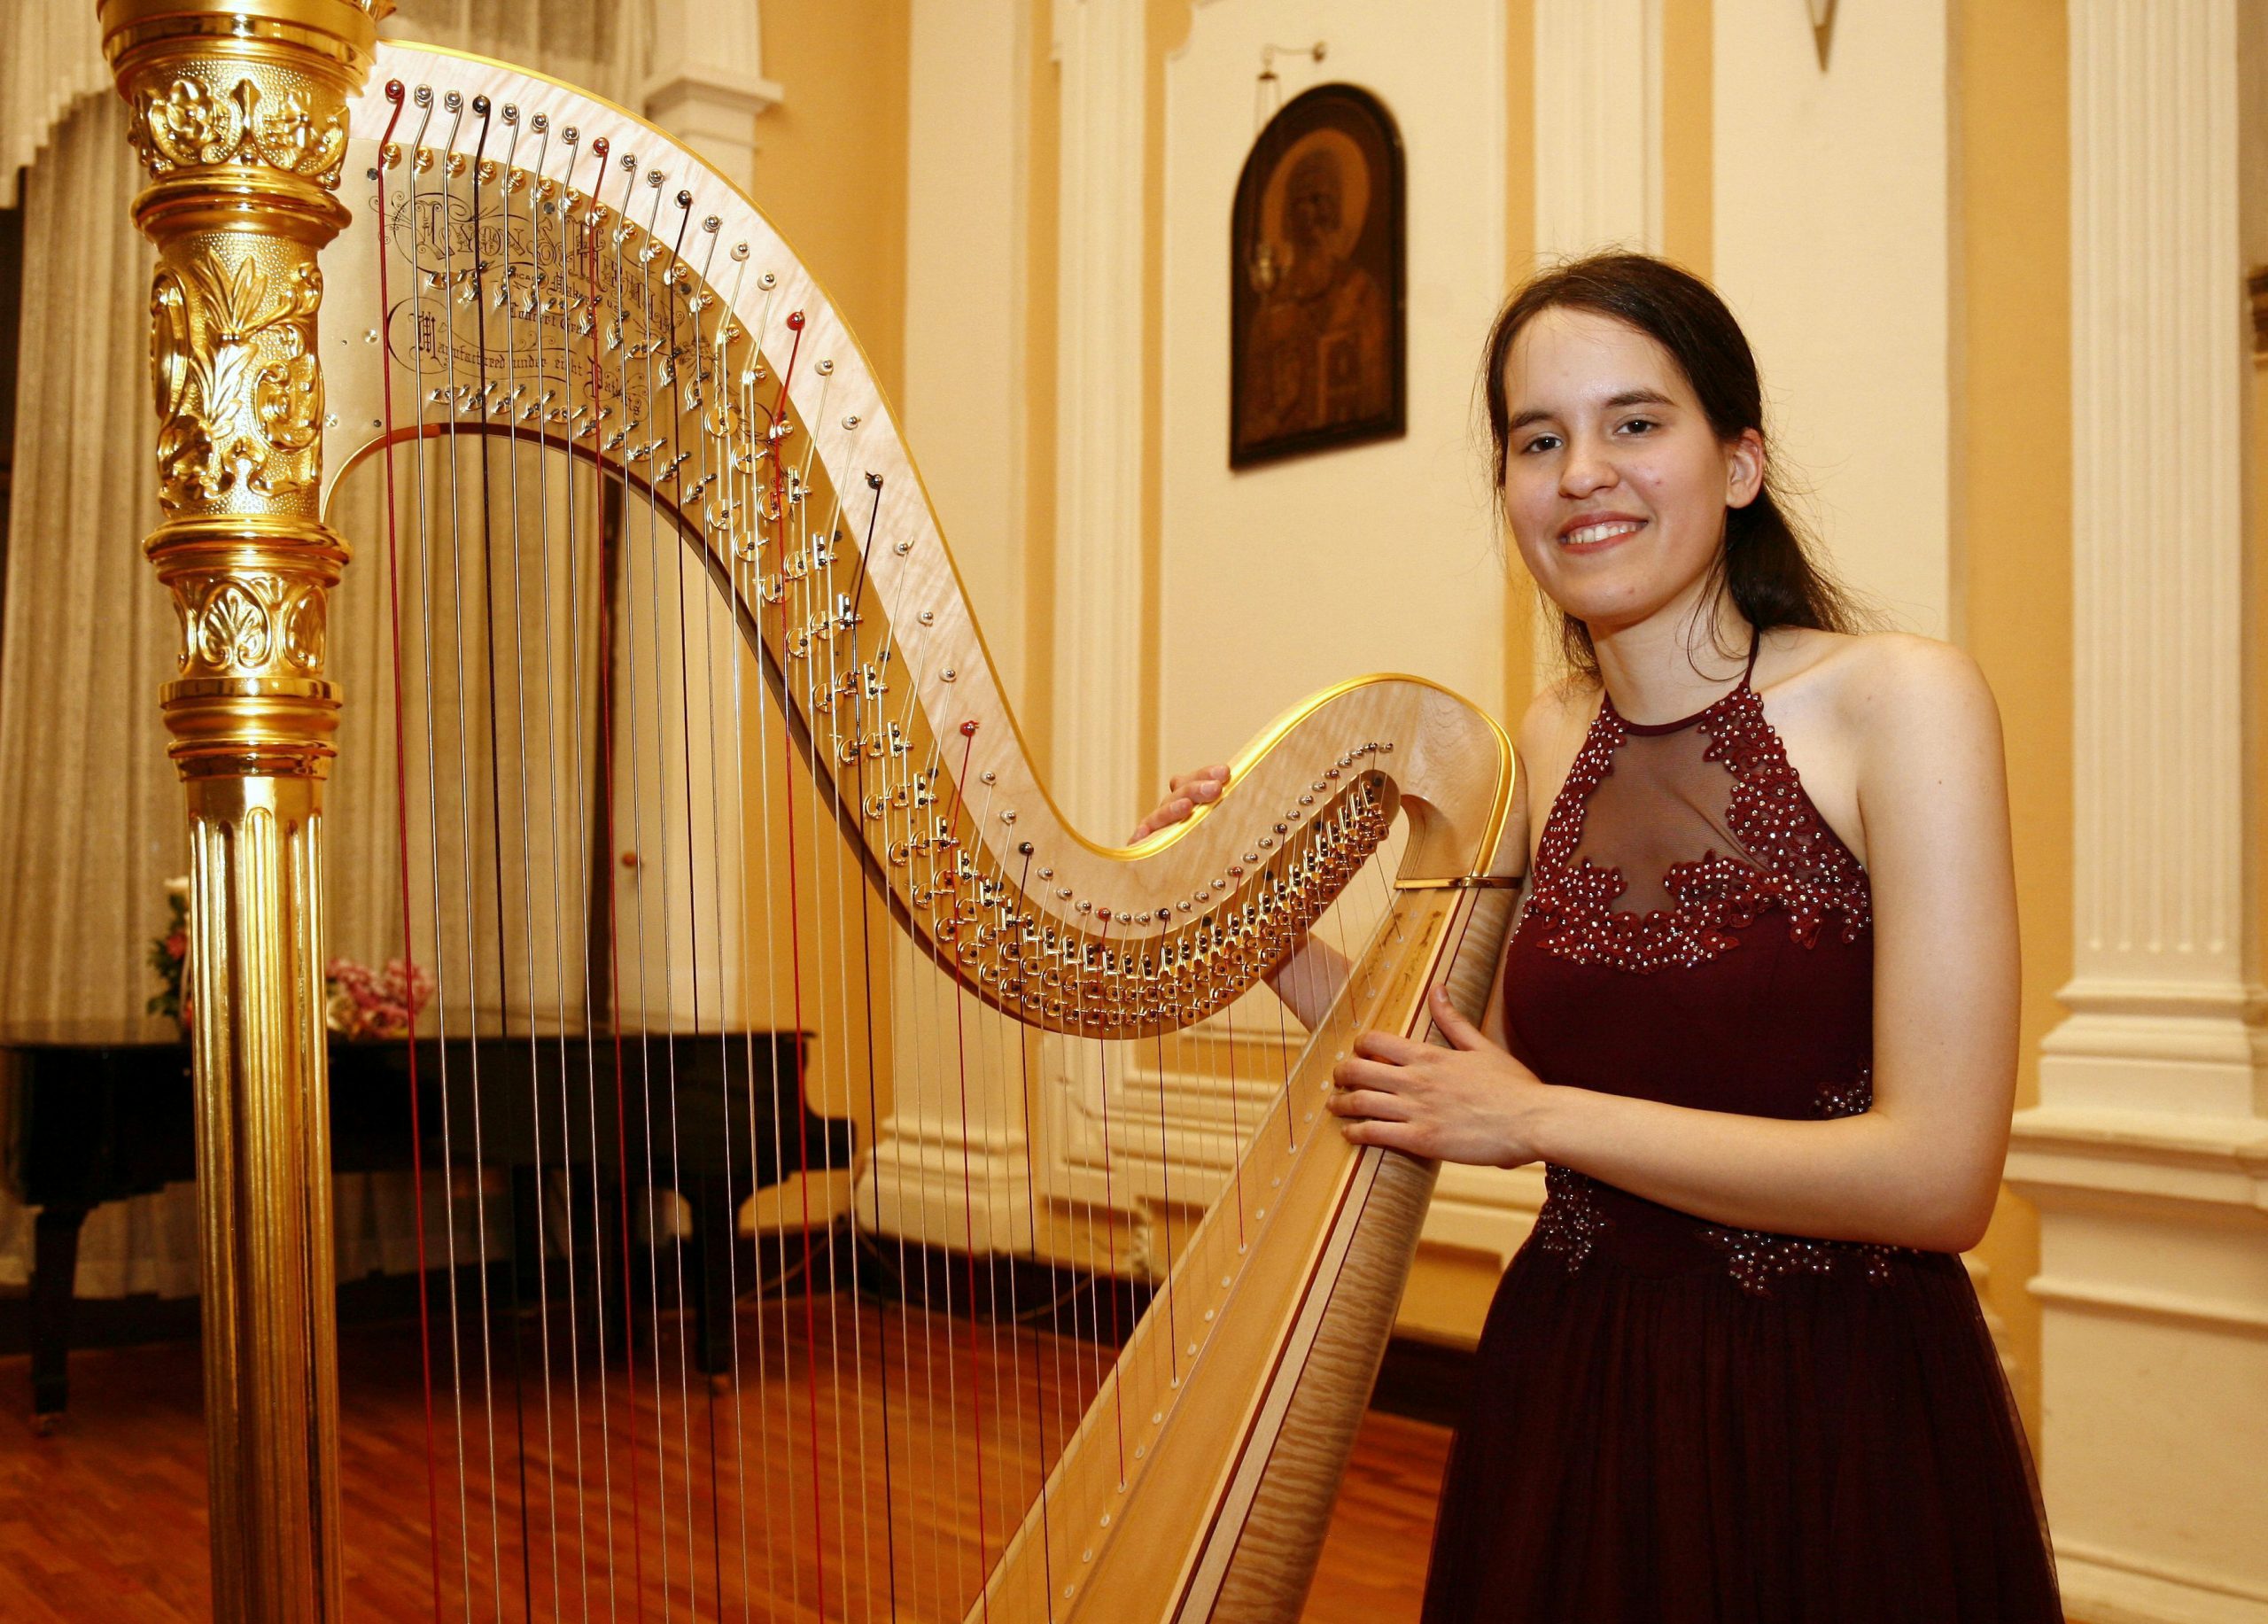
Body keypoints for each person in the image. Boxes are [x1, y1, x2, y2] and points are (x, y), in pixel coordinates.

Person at [1135, 253, 2060, 1622]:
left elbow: (1937, 1177)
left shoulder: (1904, 702)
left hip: (1830, 1404)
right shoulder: (1547, 738)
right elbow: (1464, 1069)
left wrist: (1548, 1117)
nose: (1583, 473)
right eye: (1538, 440)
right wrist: (1263, 924)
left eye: (1636, 423)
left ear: (1739, 462)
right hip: (1575, 1379)